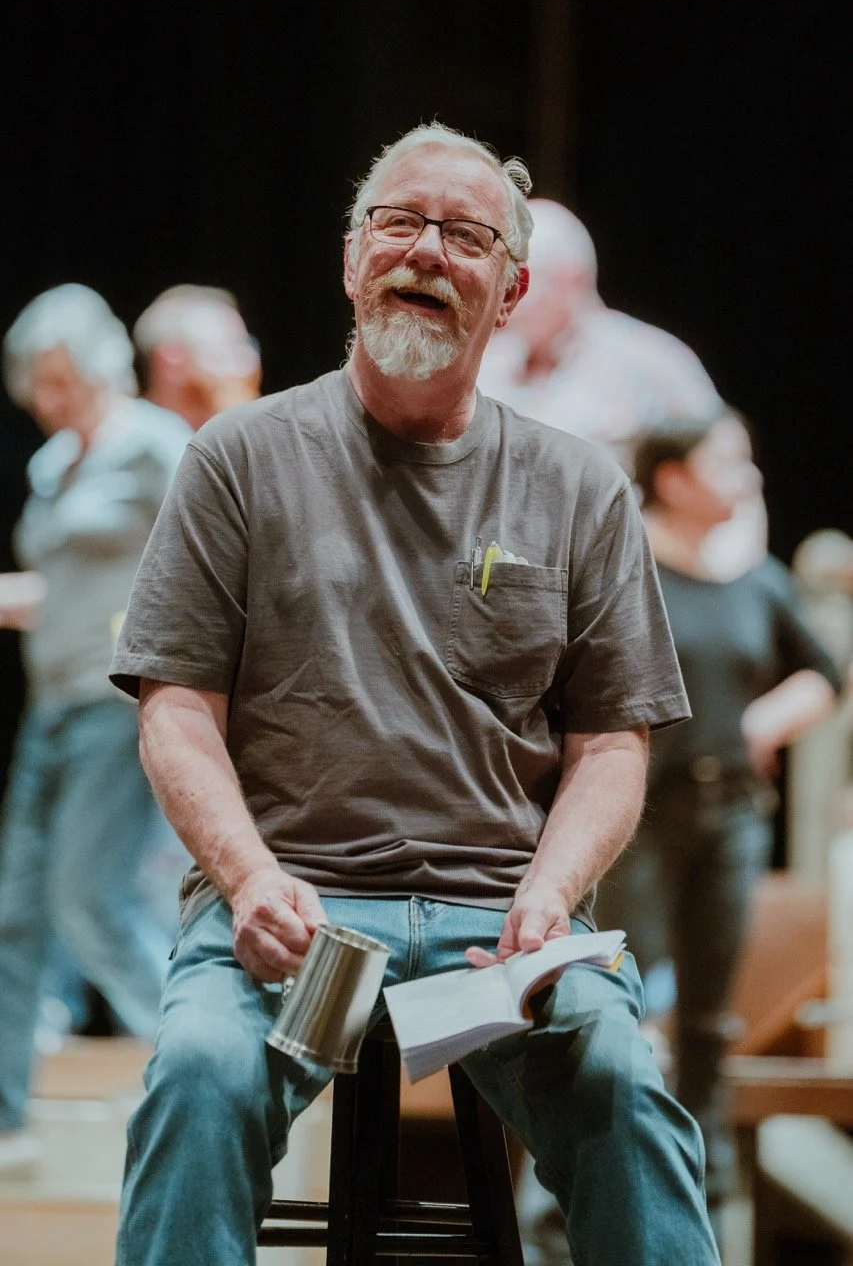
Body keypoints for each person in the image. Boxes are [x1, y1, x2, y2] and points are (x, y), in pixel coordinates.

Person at [110, 123, 720, 1265]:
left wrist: (550, 894)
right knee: (198, 1077)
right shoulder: (237, 460)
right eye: (398, 221)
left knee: (627, 1089)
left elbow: (612, 742)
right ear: (351, 259)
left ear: (513, 290)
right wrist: (248, 879)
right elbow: (175, 706)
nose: (427, 250)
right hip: (289, 916)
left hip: (501, 926)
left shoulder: (579, 487)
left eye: (466, 234)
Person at [593, 409, 842, 1239]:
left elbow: (823, 672)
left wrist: (759, 726)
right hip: (636, 820)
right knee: (615, 1008)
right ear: (673, 480)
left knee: (706, 1022)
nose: (749, 480)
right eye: (727, 464)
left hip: (728, 816)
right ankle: (572, 1212)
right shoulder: (622, 567)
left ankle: (703, 1212)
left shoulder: (754, 578)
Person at [0, 284, 190, 1173]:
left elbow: (208, 555)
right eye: (34, 381)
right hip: (50, 706)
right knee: (15, 912)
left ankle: (194, 1069)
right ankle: (6, 1122)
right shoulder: (52, 467)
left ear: (99, 366)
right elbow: (62, 586)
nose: (46, 397)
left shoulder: (154, 446)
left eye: (59, 377)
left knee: (94, 899)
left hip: (116, 706)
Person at [478, 198, 766, 581]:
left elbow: (728, 476)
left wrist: (719, 591)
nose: (506, 297)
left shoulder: (651, 362)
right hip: (506, 584)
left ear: (572, 280)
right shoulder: (486, 365)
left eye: (522, 281)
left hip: (624, 586)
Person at [132, 284, 262, 428]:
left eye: (247, 345)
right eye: (229, 350)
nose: (249, 364)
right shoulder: (130, 443)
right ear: (171, 359)